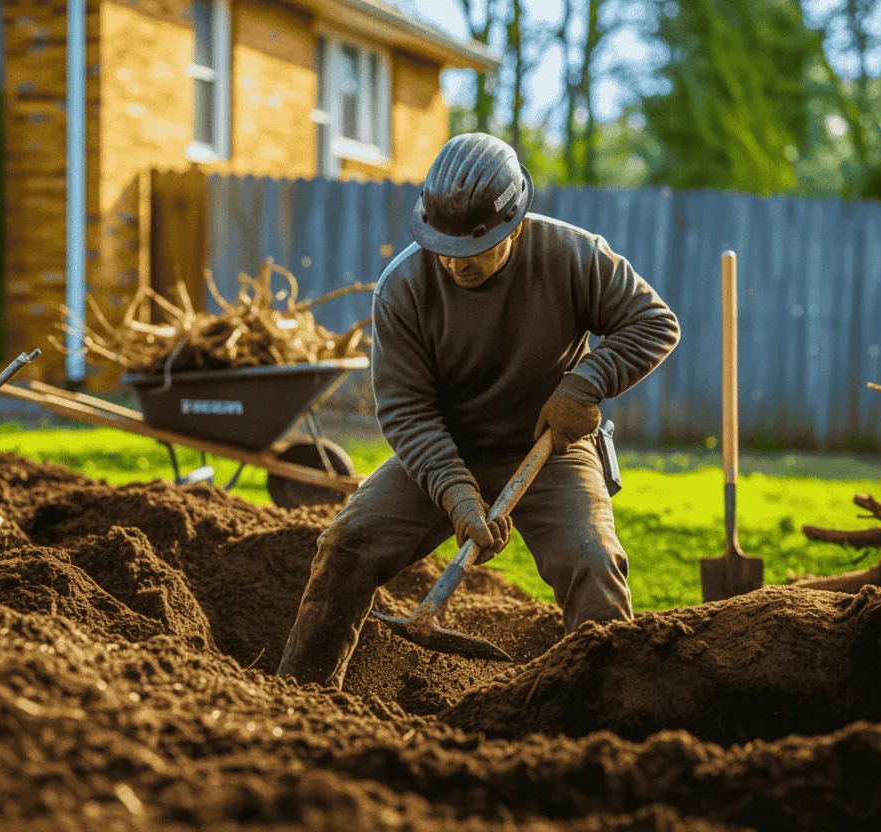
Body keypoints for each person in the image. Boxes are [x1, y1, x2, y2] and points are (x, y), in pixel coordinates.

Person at [277, 133, 680, 688]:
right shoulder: (404, 288)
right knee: (346, 545)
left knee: (594, 564)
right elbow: (407, 411)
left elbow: (655, 322)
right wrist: (456, 492)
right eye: (441, 245)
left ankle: (610, 717)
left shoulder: (572, 256)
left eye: (471, 248)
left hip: (550, 454)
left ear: (514, 224)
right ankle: (300, 699)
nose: (454, 263)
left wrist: (586, 383)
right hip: (445, 449)